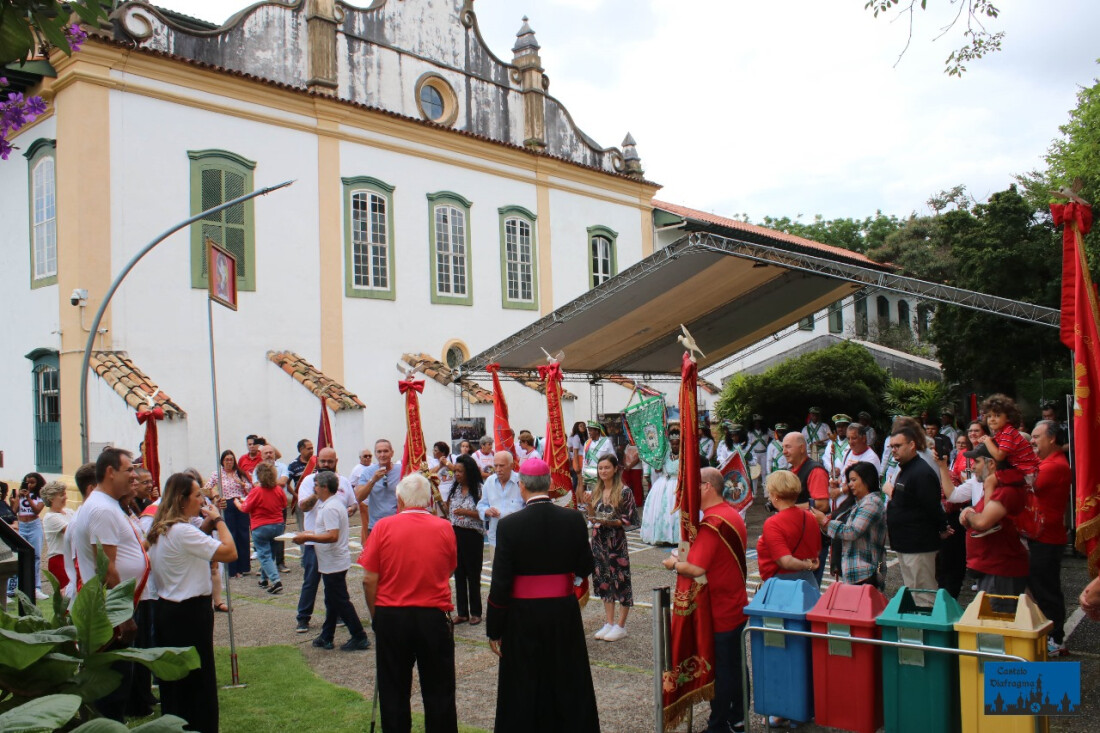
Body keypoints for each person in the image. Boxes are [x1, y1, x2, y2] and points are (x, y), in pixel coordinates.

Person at [487, 458, 599, 732]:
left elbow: (500, 583)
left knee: (523, 684)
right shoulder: (573, 519)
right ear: (550, 484)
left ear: (521, 486)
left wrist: (494, 629)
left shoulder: (509, 525)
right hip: (562, 612)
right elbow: (587, 565)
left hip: (522, 616)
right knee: (566, 679)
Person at [361, 472, 457, 732]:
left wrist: (375, 615)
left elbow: (369, 579)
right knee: (439, 691)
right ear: (427, 501)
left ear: (400, 500)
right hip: (432, 616)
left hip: (393, 615)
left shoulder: (383, 527)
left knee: (393, 690)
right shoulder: (444, 527)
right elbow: (448, 570)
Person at [147, 472, 236, 733]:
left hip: (168, 609)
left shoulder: (161, 529)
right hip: (189, 612)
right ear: (182, 499)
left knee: (175, 681)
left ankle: (177, 724)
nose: (202, 500)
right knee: (199, 680)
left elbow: (192, 543)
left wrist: (206, 525)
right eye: (197, 495)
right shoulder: (182, 532)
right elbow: (230, 552)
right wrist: (219, 521)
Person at [662, 467, 749, 733]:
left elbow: (696, 568)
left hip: (721, 608)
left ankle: (720, 724)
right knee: (735, 666)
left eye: (694, 487)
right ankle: (738, 717)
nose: (689, 493)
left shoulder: (713, 523)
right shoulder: (731, 514)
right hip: (734, 601)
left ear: (707, 487)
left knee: (723, 671)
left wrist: (673, 563)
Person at [67, 448, 147, 722]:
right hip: (110, 614)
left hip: (115, 610)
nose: (134, 475)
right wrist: (123, 615)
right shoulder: (101, 509)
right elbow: (106, 566)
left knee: (119, 685)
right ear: (110, 472)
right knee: (112, 688)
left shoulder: (109, 504)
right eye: (129, 470)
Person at [294, 471, 371, 652]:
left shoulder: (330, 508)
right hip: (332, 561)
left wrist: (307, 537)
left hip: (333, 561)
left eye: (317, 486)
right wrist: (309, 534)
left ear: (325, 488)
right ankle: (326, 635)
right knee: (333, 599)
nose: (314, 489)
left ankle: (359, 635)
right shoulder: (333, 504)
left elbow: (332, 535)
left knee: (340, 600)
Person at [958, 443, 1029, 611]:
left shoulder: (1006, 491)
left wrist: (968, 514)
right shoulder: (997, 487)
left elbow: (983, 522)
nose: (973, 467)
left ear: (991, 464)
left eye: (977, 461)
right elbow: (983, 513)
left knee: (997, 625)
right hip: (993, 567)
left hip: (1001, 570)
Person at [884, 422, 948, 607]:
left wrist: (942, 527)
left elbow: (932, 506)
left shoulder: (921, 472)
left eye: (898, 446)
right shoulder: (905, 469)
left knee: (924, 593)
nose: (894, 450)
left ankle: (929, 631)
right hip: (904, 543)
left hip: (919, 544)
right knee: (913, 592)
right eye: (892, 447)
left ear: (912, 445)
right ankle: (920, 632)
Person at [296, 447, 358, 633]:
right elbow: (303, 507)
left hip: (333, 543)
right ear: (317, 462)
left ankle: (337, 617)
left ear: (335, 462)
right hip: (313, 541)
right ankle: (303, 617)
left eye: (329, 462)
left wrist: (350, 510)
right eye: (322, 462)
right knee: (311, 580)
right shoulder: (309, 481)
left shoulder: (344, 482)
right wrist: (318, 490)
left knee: (334, 584)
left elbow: (353, 503)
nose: (326, 465)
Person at [1026, 420, 1072, 656]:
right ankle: (1049, 632)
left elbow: (1026, 483)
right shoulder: (1046, 463)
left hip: (1047, 538)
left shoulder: (1054, 466)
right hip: (1040, 535)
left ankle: (1056, 638)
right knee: (1038, 586)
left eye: (1036, 437)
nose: (1032, 441)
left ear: (1052, 438)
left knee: (1046, 589)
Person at [585, 454, 636, 642]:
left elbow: (630, 519)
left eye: (607, 467)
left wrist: (611, 521)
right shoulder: (596, 490)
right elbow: (592, 517)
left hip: (616, 541)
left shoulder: (624, 491)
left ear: (615, 469)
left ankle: (621, 625)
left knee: (621, 580)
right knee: (603, 580)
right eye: (600, 468)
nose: (603, 471)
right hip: (599, 540)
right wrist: (589, 506)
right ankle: (609, 621)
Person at [811, 462, 887, 589]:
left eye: (853, 480)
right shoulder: (856, 503)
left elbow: (852, 531)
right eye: (849, 481)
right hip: (854, 572)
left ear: (867, 479)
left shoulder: (872, 503)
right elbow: (838, 529)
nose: (850, 485)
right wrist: (824, 523)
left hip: (866, 571)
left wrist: (825, 522)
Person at [974, 393, 1040, 537]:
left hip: (1024, 471)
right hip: (1021, 470)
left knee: (990, 480)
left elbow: (999, 455)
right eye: (989, 415)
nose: (992, 419)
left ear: (1008, 417)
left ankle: (988, 520)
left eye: (997, 415)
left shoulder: (1008, 432)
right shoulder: (1002, 432)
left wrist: (987, 441)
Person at [782, 432, 831, 584]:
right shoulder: (791, 471)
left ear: (802, 448)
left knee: (808, 588)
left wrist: (790, 508)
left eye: (788, 447)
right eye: (783, 447)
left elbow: (822, 504)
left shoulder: (815, 471)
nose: (784, 451)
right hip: (796, 539)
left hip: (812, 542)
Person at [757, 470, 821, 584]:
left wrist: (806, 565)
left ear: (775, 496)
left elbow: (785, 561)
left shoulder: (773, 523)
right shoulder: (810, 517)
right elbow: (816, 551)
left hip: (782, 585)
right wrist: (807, 564)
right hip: (808, 582)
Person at [235, 462, 288, 594]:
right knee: (271, 554)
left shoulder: (256, 491)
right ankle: (264, 579)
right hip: (277, 525)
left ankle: (276, 581)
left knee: (264, 555)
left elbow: (245, 508)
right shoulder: (278, 490)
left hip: (261, 526)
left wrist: (237, 502)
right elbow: (284, 504)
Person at [448, 454, 485, 625]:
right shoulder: (455, 489)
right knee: (459, 573)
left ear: (469, 472)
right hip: (456, 533)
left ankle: (476, 612)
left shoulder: (479, 489)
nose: (457, 474)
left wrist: (466, 512)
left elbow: (484, 514)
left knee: (473, 574)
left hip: (472, 535)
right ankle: (462, 612)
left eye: (460, 471)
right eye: (455, 471)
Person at [204, 450, 252, 578]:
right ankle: (232, 568)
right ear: (222, 461)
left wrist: (241, 483)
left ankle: (244, 566)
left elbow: (250, 487)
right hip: (227, 503)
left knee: (243, 534)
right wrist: (215, 496)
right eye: (227, 460)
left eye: (231, 459)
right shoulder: (217, 474)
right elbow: (207, 487)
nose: (229, 462)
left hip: (240, 502)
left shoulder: (239, 473)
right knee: (232, 534)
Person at [476, 451, 524, 557]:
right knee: (497, 572)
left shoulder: (521, 481)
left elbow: (528, 506)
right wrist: (486, 511)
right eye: (495, 465)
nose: (498, 469)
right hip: (495, 539)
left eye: (501, 466)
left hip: (518, 539)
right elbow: (481, 505)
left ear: (512, 466)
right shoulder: (489, 481)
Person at [641, 422, 681, 545]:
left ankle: (676, 537)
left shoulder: (685, 456)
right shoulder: (665, 454)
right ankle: (661, 535)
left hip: (677, 485)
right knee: (661, 510)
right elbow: (656, 466)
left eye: (677, 444)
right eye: (673, 444)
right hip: (663, 484)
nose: (675, 446)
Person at [11, 472, 47, 599]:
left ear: (38, 484)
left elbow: (37, 510)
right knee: (20, 555)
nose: (30, 485)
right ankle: (19, 587)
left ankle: (36, 588)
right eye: (28, 482)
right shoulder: (20, 494)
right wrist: (18, 498)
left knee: (36, 556)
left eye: (33, 482)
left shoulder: (40, 496)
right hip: (22, 525)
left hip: (34, 526)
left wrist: (28, 498)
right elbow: (14, 511)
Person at [356, 439, 403, 534]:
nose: (382, 455)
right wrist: (373, 480)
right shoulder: (368, 472)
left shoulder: (401, 471)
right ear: (375, 454)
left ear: (392, 453)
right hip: (376, 526)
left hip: (397, 524)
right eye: (379, 451)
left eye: (385, 451)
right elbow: (358, 497)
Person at [40, 480, 74, 591]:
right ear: (51, 499)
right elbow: (72, 531)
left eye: (64, 493)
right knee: (67, 593)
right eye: (61, 495)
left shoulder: (69, 512)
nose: (65, 497)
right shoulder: (50, 517)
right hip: (59, 560)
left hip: (71, 557)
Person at [580, 420, 616, 492]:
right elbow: (584, 460)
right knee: (590, 494)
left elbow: (613, 457)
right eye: (588, 430)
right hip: (590, 474)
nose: (589, 432)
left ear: (597, 431)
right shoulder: (587, 443)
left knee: (602, 492)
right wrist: (583, 474)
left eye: (591, 430)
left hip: (603, 472)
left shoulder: (606, 441)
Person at [745, 414, 772, 492]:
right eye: (755, 422)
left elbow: (775, 436)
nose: (757, 424)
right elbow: (748, 444)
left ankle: (765, 491)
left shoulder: (767, 431)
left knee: (764, 472)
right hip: (755, 454)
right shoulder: (750, 433)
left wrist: (771, 446)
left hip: (764, 453)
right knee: (754, 473)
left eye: (758, 422)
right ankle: (754, 492)